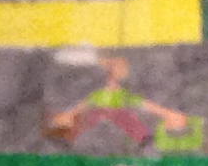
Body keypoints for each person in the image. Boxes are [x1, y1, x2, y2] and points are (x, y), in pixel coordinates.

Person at [44, 56, 196, 151]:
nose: (110, 81)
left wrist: (165, 113)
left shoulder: (124, 95)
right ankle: (67, 138)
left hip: (117, 114)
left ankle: (144, 137)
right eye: (109, 75)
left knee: (125, 119)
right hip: (99, 114)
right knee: (92, 120)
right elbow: (84, 104)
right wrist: (70, 114)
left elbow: (144, 104)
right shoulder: (98, 94)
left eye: (114, 75)